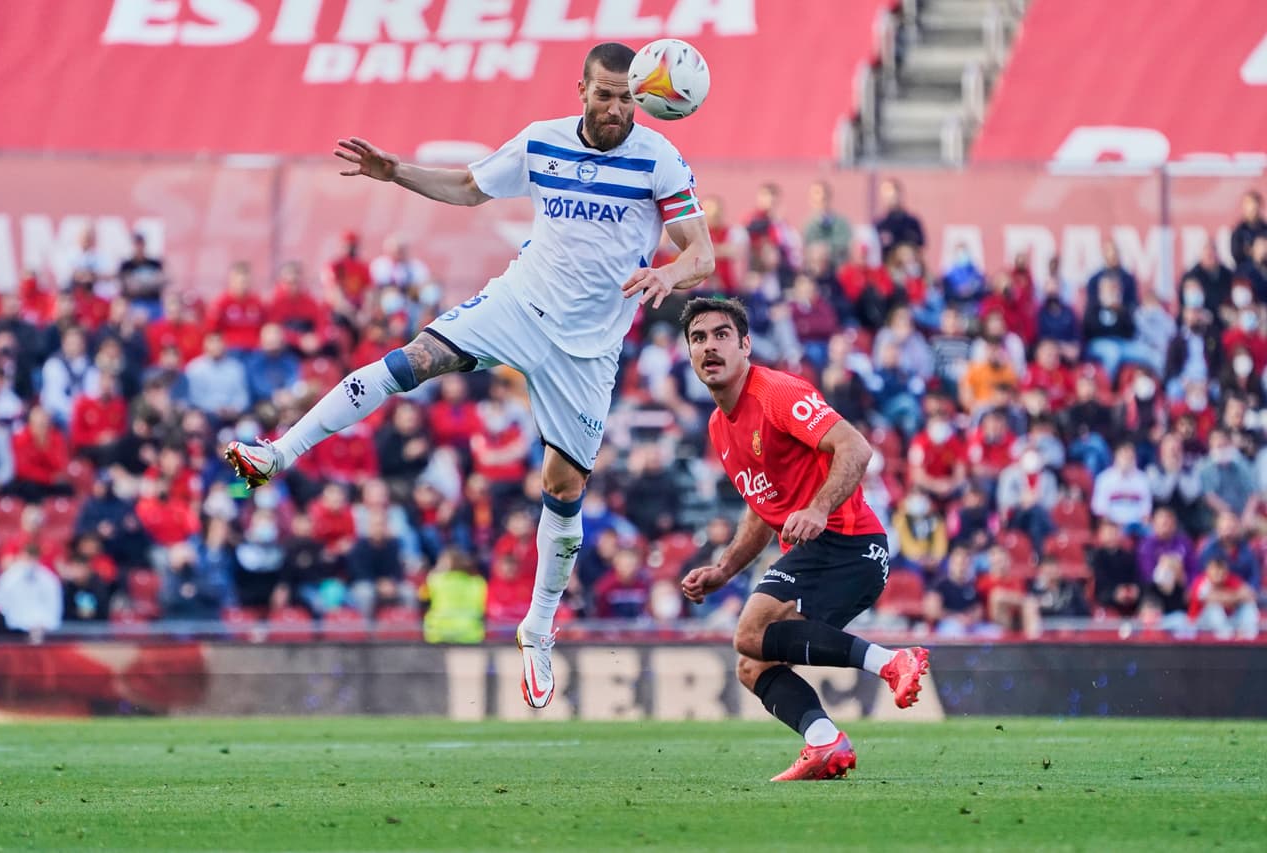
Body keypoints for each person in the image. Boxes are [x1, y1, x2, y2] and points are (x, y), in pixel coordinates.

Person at [224, 43, 715, 709]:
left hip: (588, 350)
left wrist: (667, 272)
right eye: (604, 95)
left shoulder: (658, 159)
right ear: (582, 91)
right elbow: (468, 187)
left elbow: (702, 253)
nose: (616, 109)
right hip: (519, 304)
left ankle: (538, 629)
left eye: (626, 97)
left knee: (564, 489)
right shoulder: (542, 143)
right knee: (411, 361)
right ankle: (275, 452)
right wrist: (394, 171)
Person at [677, 296, 928, 782]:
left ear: (746, 344)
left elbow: (855, 446)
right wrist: (724, 570)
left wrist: (817, 507)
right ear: (689, 353)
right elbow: (761, 506)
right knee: (751, 665)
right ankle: (824, 743)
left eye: (721, 335)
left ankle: (893, 661)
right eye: (698, 338)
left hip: (847, 541)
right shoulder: (717, 425)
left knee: (748, 634)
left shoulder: (775, 393)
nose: (710, 346)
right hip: (828, 551)